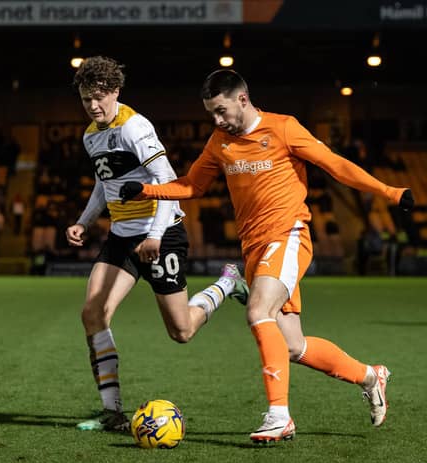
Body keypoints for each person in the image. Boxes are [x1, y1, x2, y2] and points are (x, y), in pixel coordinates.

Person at [120, 69, 414, 443]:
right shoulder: (219, 142)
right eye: (211, 113)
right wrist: (146, 189)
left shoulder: (284, 128)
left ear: (242, 99)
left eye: (221, 111)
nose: (216, 120)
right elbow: (192, 186)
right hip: (254, 248)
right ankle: (372, 376)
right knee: (292, 346)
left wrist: (389, 192)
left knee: (257, 311)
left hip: (288, 236)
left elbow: (335, 164)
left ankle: (279, 416)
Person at [68, 57, 249, 432]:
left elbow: (167, 180)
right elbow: (105, 185)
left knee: (181, 331)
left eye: (99, 97)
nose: (93, 106)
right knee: (93, 312)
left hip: (161, 232)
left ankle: (228, 282)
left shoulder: (135, 126)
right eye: (86, 99)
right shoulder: (91, 136)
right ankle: (112, 413)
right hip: (121, 236)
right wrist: (84, 222)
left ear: (116, 92)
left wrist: (154, 235)